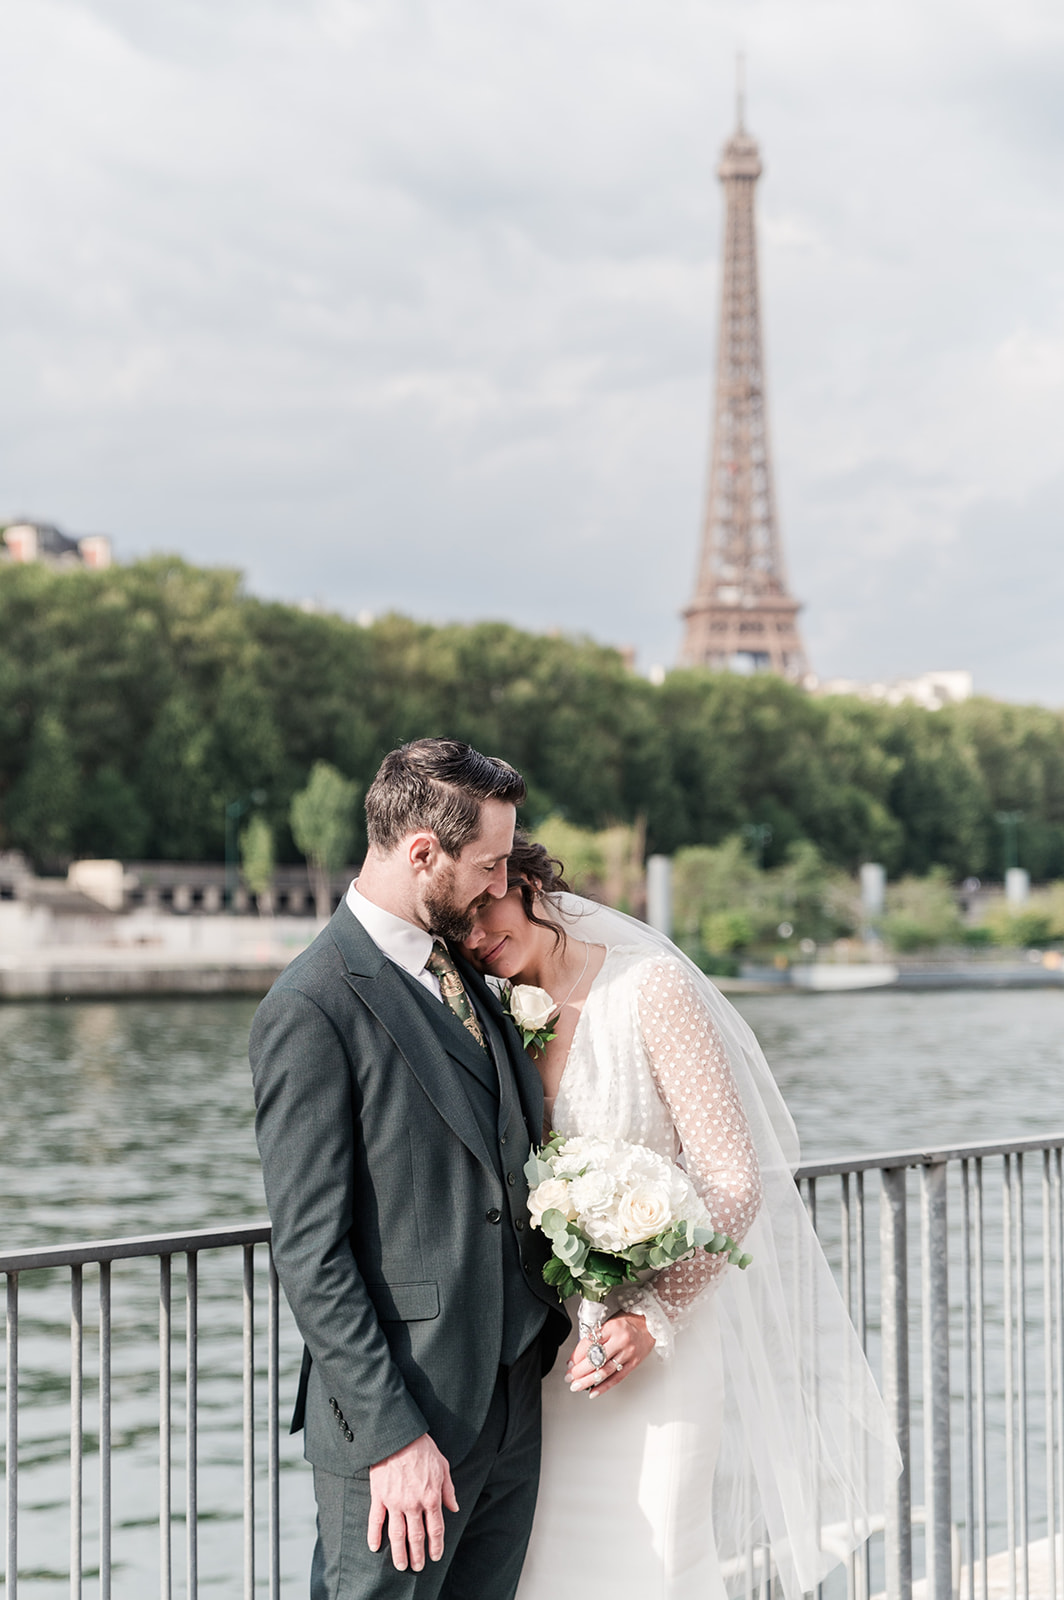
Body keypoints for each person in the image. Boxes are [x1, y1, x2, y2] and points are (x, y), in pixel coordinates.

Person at [460, 835, 897, 1600]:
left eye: (486, 908)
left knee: (656, 1566)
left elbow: (732, 1179)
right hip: (548, 1363)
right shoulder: (496, 1014)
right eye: (457, 927)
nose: (475, 937)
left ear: (525, 882)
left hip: (660, 1353)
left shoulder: (650, 990)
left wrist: (651, 1309)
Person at [249, 742, 569, 1600]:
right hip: (402, 1424)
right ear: (422, 852)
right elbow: (311, 1253)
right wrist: (393, 1438)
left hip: (508, 1403)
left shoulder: (464, 964)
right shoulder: (311, 1005)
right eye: (489, 864)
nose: (501, 887)